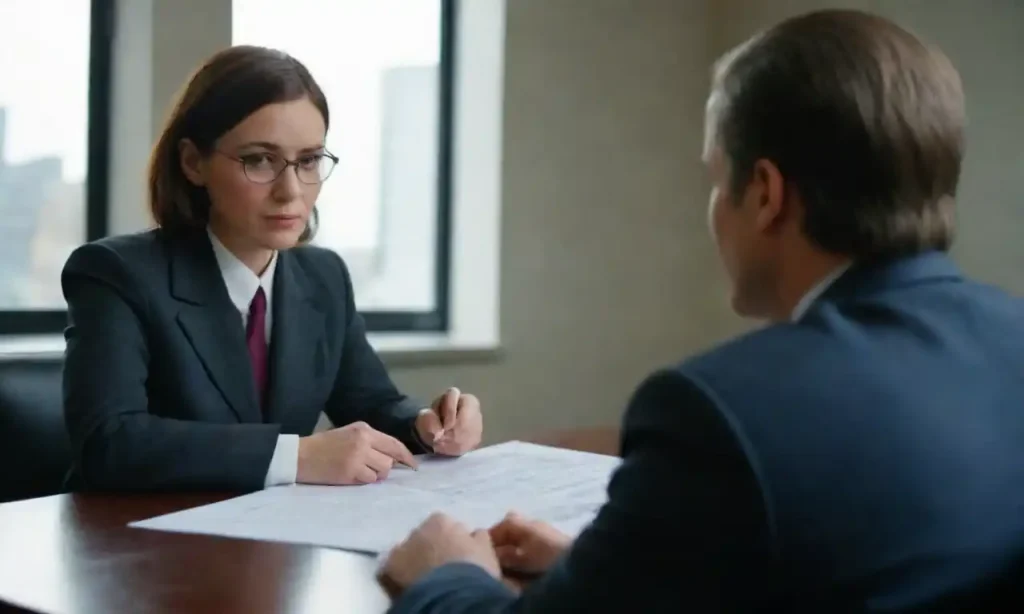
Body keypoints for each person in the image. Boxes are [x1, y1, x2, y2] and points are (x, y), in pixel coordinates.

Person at [379, 9, 1024, 612]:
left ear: (766, 194)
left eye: (717, 181)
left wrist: (447, 574)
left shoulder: (718, 410)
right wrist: (605, 566)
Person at [61, 45, 483, 492]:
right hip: (132, 543)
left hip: (270, 542)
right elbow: (109, 443)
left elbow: (370, 403)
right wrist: (296, 456)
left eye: (308, 161)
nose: (290, 191)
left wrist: (427, 426)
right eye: (260, 159)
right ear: (192, 162)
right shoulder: (115, 273)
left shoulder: (324, 277)